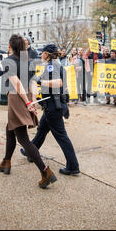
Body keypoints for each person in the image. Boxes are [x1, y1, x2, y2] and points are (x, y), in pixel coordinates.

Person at [0, 35, 57, 188]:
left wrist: (29, 102)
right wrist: (32, 99)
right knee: (10, 128)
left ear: (10, 45)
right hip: (26, 96)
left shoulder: (8, 61)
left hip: (17, 98)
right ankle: (6, 162)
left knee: (23, 138)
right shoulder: (27, 61)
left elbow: (16, 84)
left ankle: (45, 171)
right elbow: (33, 83)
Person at [22, 43, 80, 176]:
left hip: (54, 107)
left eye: (42, 52)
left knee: (61, 137)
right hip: (53, 106)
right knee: (42, 129)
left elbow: (58, 82)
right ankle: (30, 152)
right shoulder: (55, 65)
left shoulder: (51, 66)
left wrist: (40, 83)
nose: (41, 54)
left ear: (46, 54)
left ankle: (73, 165)